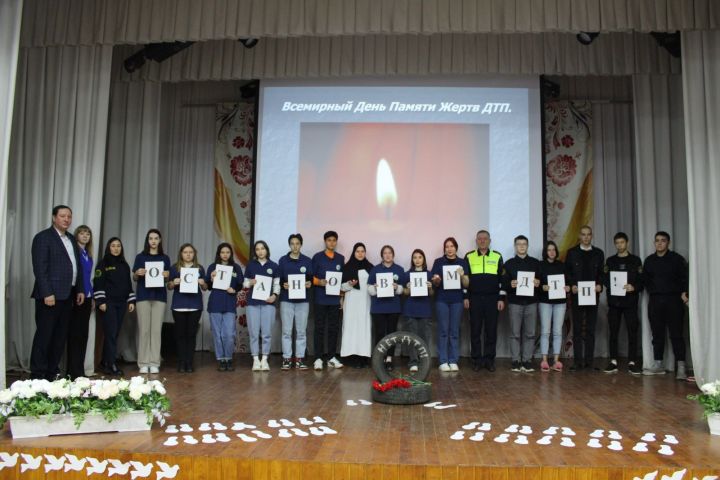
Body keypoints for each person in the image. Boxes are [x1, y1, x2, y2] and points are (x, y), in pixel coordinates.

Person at [30, 205, 86, 380]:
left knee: (60, 338)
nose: (66, 219)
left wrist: (80, 289)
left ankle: (51, 373)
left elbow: (77, 266)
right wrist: (47, 293)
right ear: (54, 217)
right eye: (63, 216)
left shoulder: (70, 238)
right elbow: (40, 268)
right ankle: (37, 375)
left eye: (69, 216)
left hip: (67, 295)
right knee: (44, 336)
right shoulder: (43, 238)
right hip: (50, 296)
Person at [642, 231, 689, 379]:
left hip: (674, 300)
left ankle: (681, 366)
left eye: (663, 240)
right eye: (657, 241)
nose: (660, 243)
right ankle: (658, 364)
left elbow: (685, 278)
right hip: (655, 300)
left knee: (676, 334)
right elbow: (645, 280)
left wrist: (685, 292)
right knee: (657, 334)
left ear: (668, 242)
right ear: (654, 243)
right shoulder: (649, 260)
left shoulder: (677, 259)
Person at [93, 237, 136, 376]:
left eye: (118, 246)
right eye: (113, 246)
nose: (116, 248)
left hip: (122, 303)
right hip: (108, 303)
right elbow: (98, 282)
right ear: (108, 247)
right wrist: (101, 301)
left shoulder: (124, 264)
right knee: (110, 334)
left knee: (115, 333)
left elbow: (128, 284)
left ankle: (106, 361)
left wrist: (131, 301)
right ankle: (110, 364)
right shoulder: (103, 263)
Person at [464, 230, 505, 372]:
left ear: (489, 240)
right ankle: (476, 360)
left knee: (491, 331)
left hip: (492, 299)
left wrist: (501, 298)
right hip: (474, 298)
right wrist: (465, 297)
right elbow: (465, 280)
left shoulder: (497, 256)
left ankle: (489, 360)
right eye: (479, 239)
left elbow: (502, 280)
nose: (482, 241)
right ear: (476, 241)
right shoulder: (469, 256)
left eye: (485, 238)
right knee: (475, 331)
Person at [603, 232, 643, 375]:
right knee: (613, 332)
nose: (620, 245)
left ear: (627, 243)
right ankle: (613, 361)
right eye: (617, 243)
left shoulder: (635, 260)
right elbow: (605, 280)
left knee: (633, 332)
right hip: (614, 303)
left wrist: (634, 287)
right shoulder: (610, 261)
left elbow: (641, 280)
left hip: (630, 302)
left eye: (622, 242)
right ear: (615, 244)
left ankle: (632, 362)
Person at [565, 225, 605, 371]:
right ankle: (577, 362)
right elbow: (567, 272)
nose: (586, 237)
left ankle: (589, 361)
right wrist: (572, 285)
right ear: (579, 236)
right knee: (576, 330)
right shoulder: (572, 252)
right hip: (577, 296)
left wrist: (600, 284)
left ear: (591, 236)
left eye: (588, 234)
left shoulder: (599, 253)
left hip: (593, 296)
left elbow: (601, 273)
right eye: (583, 234)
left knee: (590, 329)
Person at [132, 229, 171, 374]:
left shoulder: (165, 258)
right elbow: (135, 277)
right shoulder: (140, 257)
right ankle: (143, 362)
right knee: (144, 330)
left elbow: (168, 279)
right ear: (147, 241)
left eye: (156, 238)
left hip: (159, 297)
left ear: (160, 240)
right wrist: (137, 273)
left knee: (156, 331)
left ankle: (154, 361)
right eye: (150, 238)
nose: (153, 241)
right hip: (143, 296)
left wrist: (167, 275)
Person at [502, 235, 541, 373]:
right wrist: (510, 284)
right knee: (515, 333)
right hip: (515, 302)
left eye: (524, 244)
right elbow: (503, 283)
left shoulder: (536, 263)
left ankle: (527, 360)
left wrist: (538, 283)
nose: (522, 246)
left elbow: (541, 283)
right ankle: (515, 360)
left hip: (531, 302)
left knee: (530, 334)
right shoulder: (508, 263)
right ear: (515, 246)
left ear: (528, 246)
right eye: (519, 244)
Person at [431, 237, 469, 372]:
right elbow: (435, 284)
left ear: (456, 248)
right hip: (441, 299)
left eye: (452, 246)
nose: (449, 249)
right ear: (444, 249)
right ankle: (443, 360)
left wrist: (463, 275)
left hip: (457, 300)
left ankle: (453, 360)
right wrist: (436, 280)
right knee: (443, 331)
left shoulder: (462, 262)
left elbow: (466, 284)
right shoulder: (438, 262)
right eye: (447, 246)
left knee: (454, 331)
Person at [168, 243, 207, 373]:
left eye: (190, 252)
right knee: (180, 335)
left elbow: (205, 287)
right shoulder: (175, 268)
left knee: (191, 335)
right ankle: (181, 362)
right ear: (181, 254)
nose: (188, 254)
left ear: (194, 254)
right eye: (185, 252)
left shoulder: (200, 268)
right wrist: (173, 283)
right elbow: (168, 286)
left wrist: (203, 283)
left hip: (195, 306)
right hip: (178, 306)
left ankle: (189, 363)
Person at [243, 240, 280, 371]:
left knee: (266, 333)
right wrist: (250, 283)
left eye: (262, 248)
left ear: (267, 250)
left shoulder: (274, 266)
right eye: (257, 249)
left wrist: (274, 296)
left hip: (268, 304)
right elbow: (244, 284)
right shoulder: (250, 265)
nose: (260, 251)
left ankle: (264, 359)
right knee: (253, 333)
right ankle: (255, 359)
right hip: (252, 303)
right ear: (255, 252)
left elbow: (277, 284)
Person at [206, 243, 243, 372]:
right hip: (215, 303)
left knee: (229, 334)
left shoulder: (236, 267)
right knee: (217, 334)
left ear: (230, 254)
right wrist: (211, 277)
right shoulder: (212, 267)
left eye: (227, 252)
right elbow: (208, 286)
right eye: (222, 252)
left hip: (229, 304)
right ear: (219, 254)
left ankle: (228, 357)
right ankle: (221, 359)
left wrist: (234, 289)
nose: (225, 254)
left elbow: (240, 284)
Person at [311, 231, 346, 370]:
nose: (331, 242)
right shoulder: (317, 257)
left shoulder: (340, 258)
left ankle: (331, 356)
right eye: (329, 240)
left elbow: (342, 280)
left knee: (333, 328)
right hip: (320, 298)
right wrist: (319, 282)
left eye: (334, 240)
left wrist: (342, 297)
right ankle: (318, 357)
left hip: (334, 300)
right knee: (319, 328)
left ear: (336, 242)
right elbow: (310, 277)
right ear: (325, 241)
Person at [278, 234, 313, 370]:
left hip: (303, 301)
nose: (295, 246)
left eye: (297, 243)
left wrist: (309, 284)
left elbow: (310, 280)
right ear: (289, 245)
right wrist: (283, 285)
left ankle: (299, 359)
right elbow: (279, 280)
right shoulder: (283, 260)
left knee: (301, 331)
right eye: (292, 243)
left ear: (301, 245)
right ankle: (286, 359)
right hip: (286, 300)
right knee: (286, 331)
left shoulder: (307, 261)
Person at [368, 245, 405, 371]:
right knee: (379, 334)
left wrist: (397, 288)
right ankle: (379, 358)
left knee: (391, 334)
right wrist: (375, 288)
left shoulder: (399, 269)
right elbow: (369, 290)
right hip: (378, 307)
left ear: (393, 255)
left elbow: (403, 290)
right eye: (385, 253)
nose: (387, 255)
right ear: (382, 255)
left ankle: (389, 358)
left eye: (390, 253)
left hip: (393, 307)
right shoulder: (375, 269)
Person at [340, 242, 373, 368]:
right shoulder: (347, 267)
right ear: (354, 253)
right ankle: (351, 357)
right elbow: (341, 286)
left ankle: (363, 356)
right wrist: (349, 285)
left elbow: (373, 284)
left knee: (363, 328)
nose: (360, 253)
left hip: (365, 301)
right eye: (358, 251)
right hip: (351, 301)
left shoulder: (370, 267)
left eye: (362, 251)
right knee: (351, 328)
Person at [67, 225, 94, 379]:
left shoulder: (87, 254)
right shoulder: (75, 252)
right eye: (82, 233)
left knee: (83, 334)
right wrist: (80, 291)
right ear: (76, 235)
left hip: (87, 296)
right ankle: (73, 370)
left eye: (88, 234)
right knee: (75, 334)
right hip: (78, 295)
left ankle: (80, 370)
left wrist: (92, 296)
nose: (85, 236)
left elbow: (88, 277)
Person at [538, 241, 569, 372]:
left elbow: (568, 281)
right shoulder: (540, 265)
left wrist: (567, 287)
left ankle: (556, 360)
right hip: (545, 301)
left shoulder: (562, 265)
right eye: (549, 250)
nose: (551, 252)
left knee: (557, 331)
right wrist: (542, 287)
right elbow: (536, 284)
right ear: (545, 252)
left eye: (553, 250)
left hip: (560, 302)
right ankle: (544, 360)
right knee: (545, 331)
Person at [402, 249, 433, 373]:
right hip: (411, 309)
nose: (417, 260)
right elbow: (404, 293)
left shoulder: (429, 274)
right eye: (415, 257)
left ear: (423, 259)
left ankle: (424, 360)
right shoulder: (406, 274)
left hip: (425, 309)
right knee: (412, 337)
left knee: (425, 337)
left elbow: (432, 294)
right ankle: (413, 361)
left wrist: (430, 288)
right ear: (412, 260)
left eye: (420, 257)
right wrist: (407, 289)